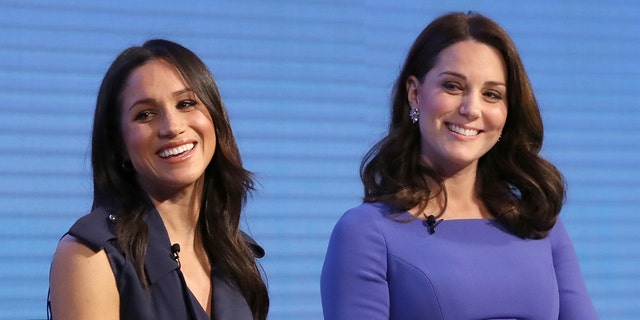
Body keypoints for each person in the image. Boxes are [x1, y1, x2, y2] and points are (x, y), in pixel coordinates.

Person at [321, 11, 598, 319]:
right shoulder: (366, 233)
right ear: (415, 94)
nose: (470, 109)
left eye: (491, 95)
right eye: (452, 86)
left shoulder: (539, 225)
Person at [48, 39, 269, 320]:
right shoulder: (91, 255)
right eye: (146, 114)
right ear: (119, 144)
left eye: (186, 103)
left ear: (215, 119)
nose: (172, 127)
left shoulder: (236, 256)